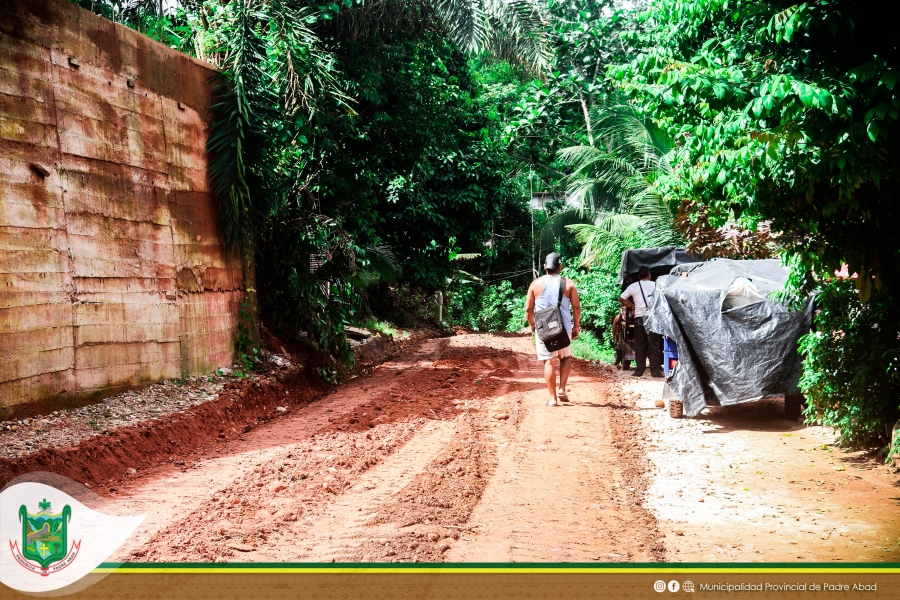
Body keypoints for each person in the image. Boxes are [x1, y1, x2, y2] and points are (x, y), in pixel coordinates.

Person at [525, 253, 582, 406]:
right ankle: (562, 389)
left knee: (549, 361)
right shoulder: (568, 284)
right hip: (564, 328)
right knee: (565, 358)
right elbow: (576, 307)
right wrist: (576, 325)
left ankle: (553, 399)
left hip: (544, 329)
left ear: (545, 267)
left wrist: (532, 324)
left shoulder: (535, 284)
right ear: (560, 267)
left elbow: (528, 309)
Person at [619, 266, 663, 378]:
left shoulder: (633, 286)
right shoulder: (656, 285)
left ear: (638, 276)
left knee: (639, 345)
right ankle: (655, 372)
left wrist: (632, 306)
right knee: (654, 345)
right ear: (649, 275)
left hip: (639, 318)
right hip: (653, 318)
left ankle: (639, 371)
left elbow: (622, 298)